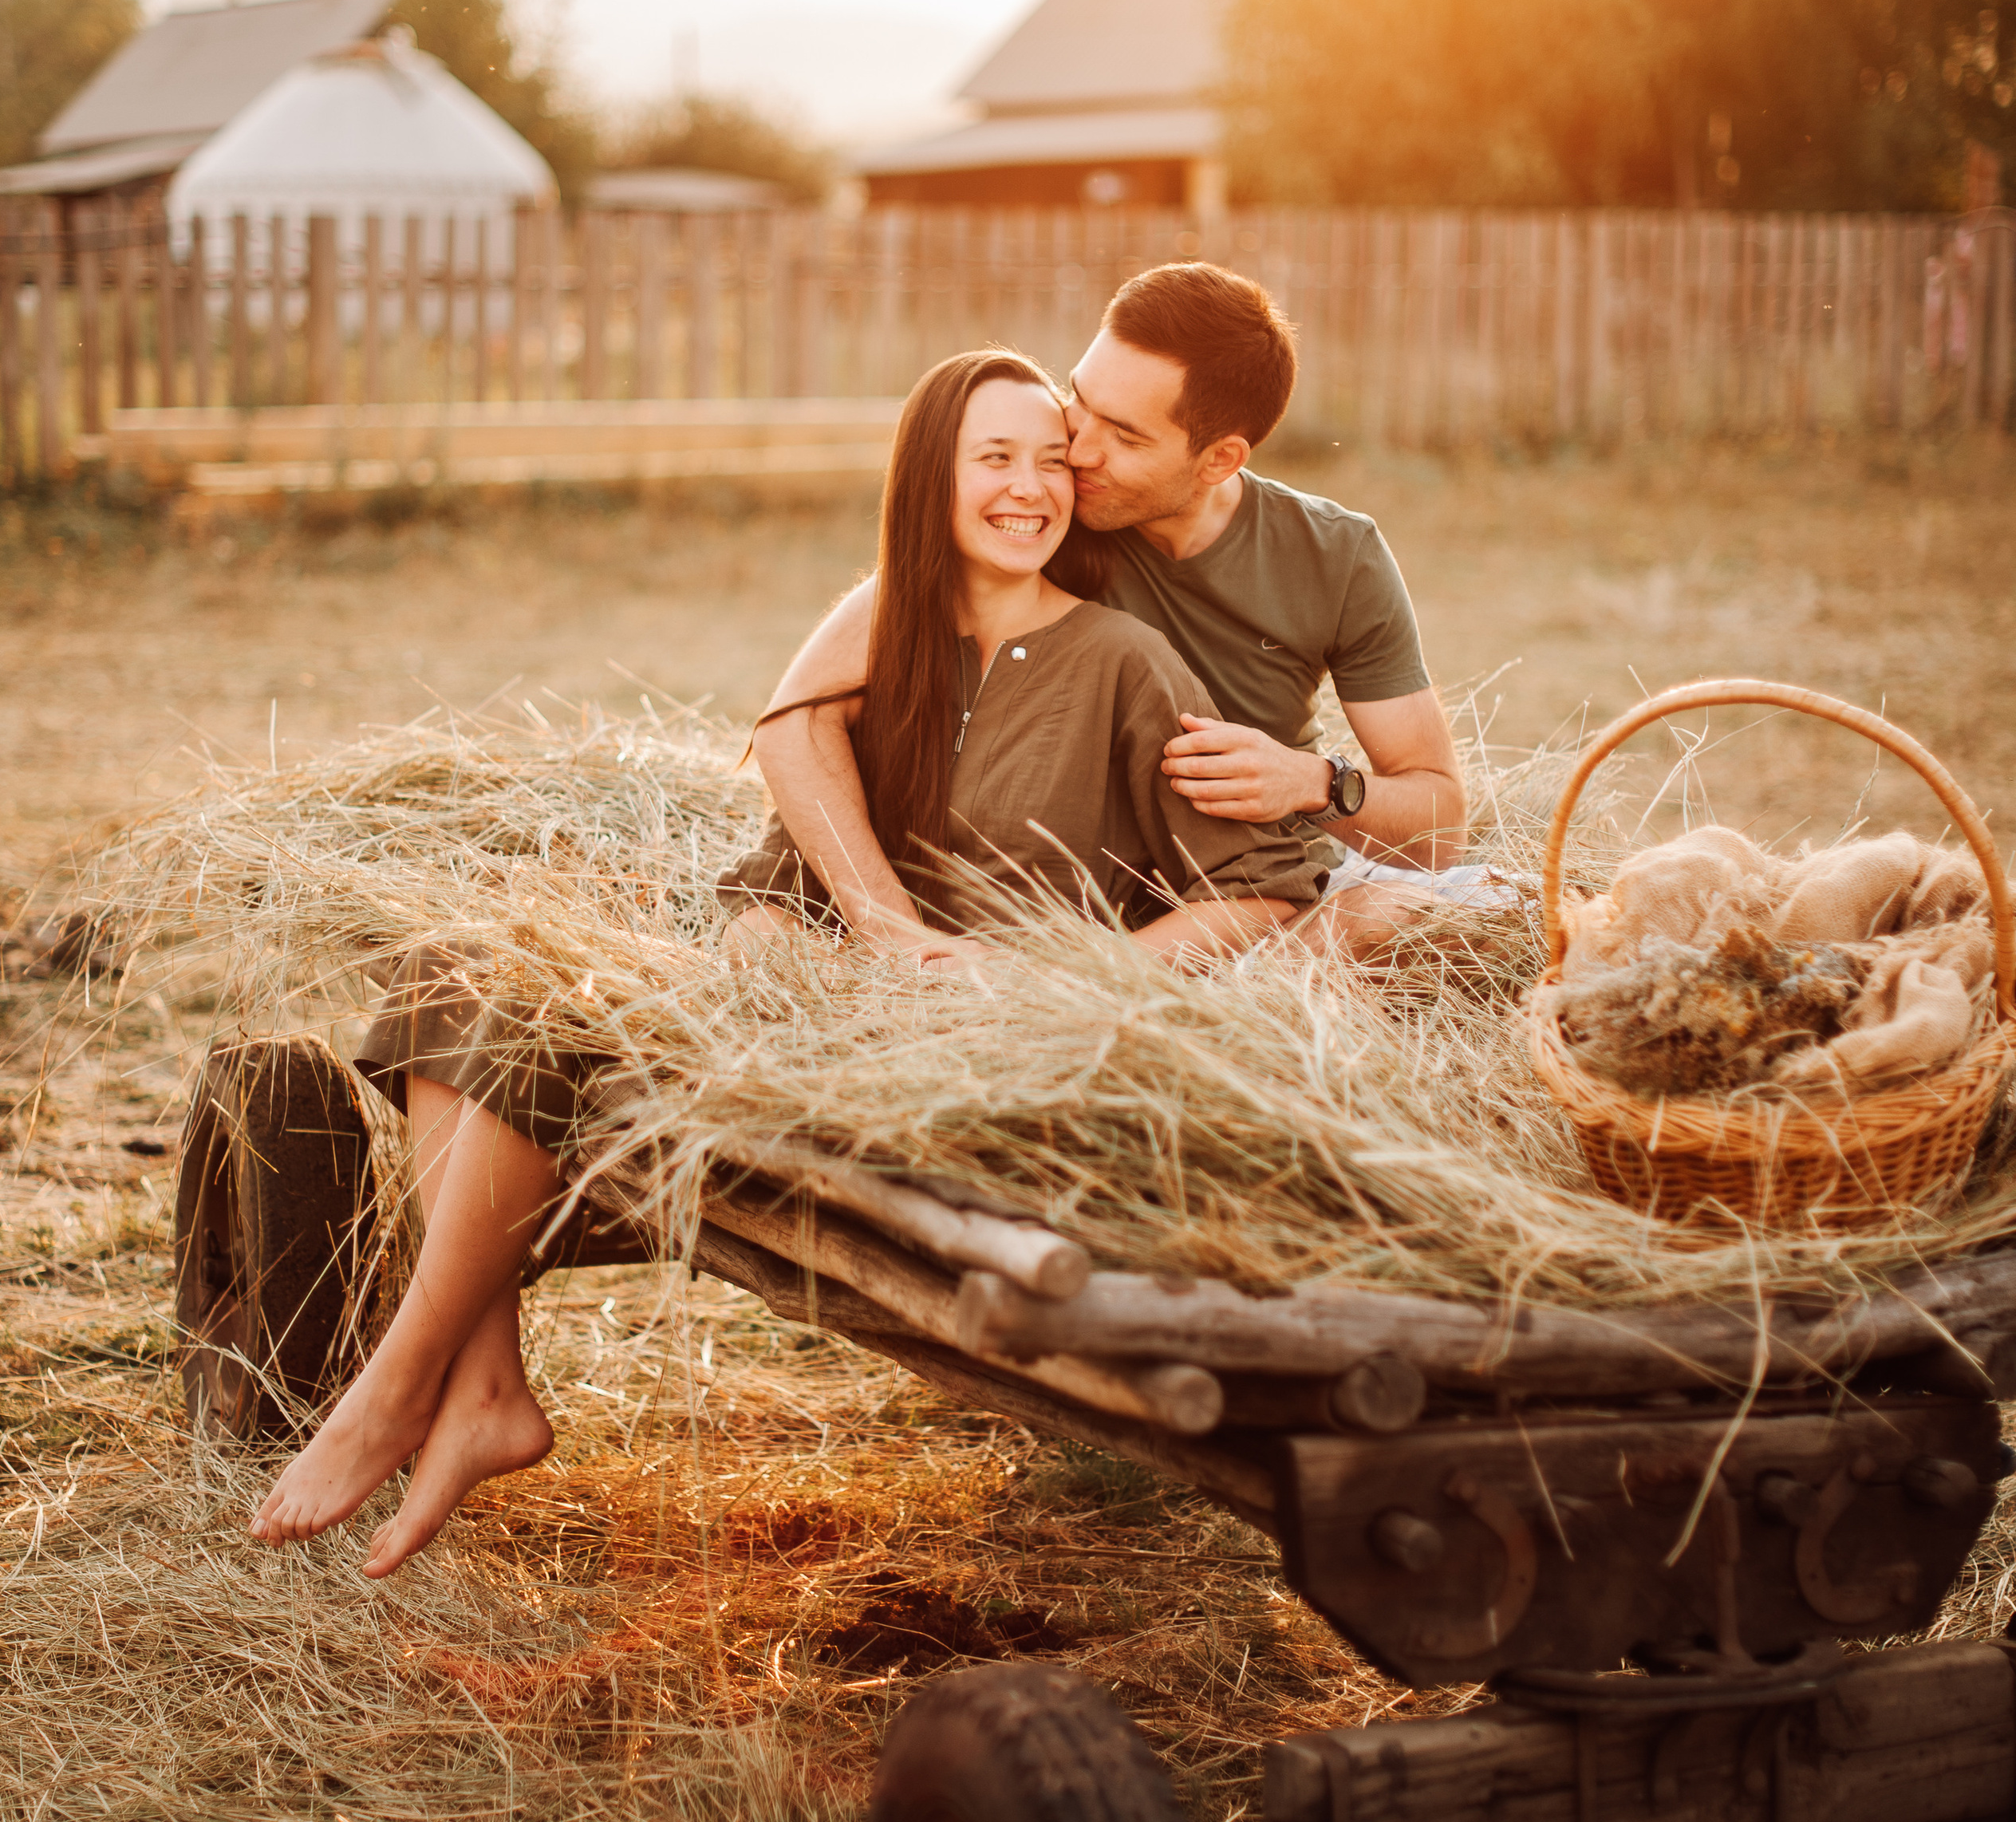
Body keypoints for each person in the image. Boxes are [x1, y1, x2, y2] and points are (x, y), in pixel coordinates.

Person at [250, 345, 1315, 1578]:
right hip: (808, 1012)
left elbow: (1265, 891)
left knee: (543, 1024)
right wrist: (778, 960)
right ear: (931, 479)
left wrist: (1073, 979)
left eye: (1048, 460)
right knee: (464, 971)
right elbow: (775, 872)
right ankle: (483, 1385)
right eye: (993, 458)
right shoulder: (884, 651)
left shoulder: (1123, 662)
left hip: (969, 1048)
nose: (1030, 487)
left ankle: (397, 1389)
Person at [756, 259, 1480, 965]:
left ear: (1220, 460)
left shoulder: (1334, 555)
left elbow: (1440, 828)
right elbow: (796, 719)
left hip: (1243, 882)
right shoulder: (1039, 516)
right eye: (1080, 399)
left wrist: (1312, 782)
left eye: (1126, 436)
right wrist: (892, 931)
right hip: (1089, 875)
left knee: (1418, 917)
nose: (1077, 449)